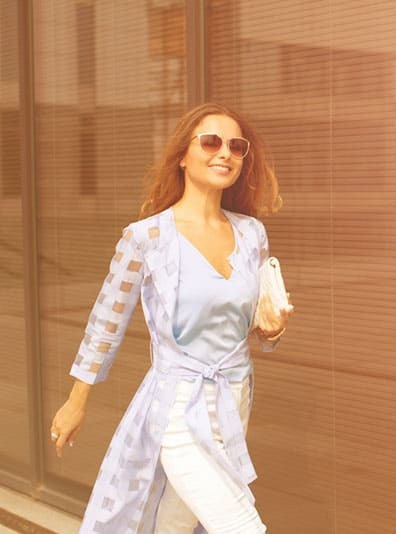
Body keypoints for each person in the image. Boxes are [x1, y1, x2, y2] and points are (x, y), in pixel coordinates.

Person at [49, 103, 292, 533]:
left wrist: (271, 327)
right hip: (179, 406)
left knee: (176, 522)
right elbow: (107, 321)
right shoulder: (147, 238)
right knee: (241, 525)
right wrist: (76, 400)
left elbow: (258, 325)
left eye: (236, 146)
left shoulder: (252, 234)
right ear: (183, 154)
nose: (225, 154)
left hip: (234, 400)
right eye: (211, 142)